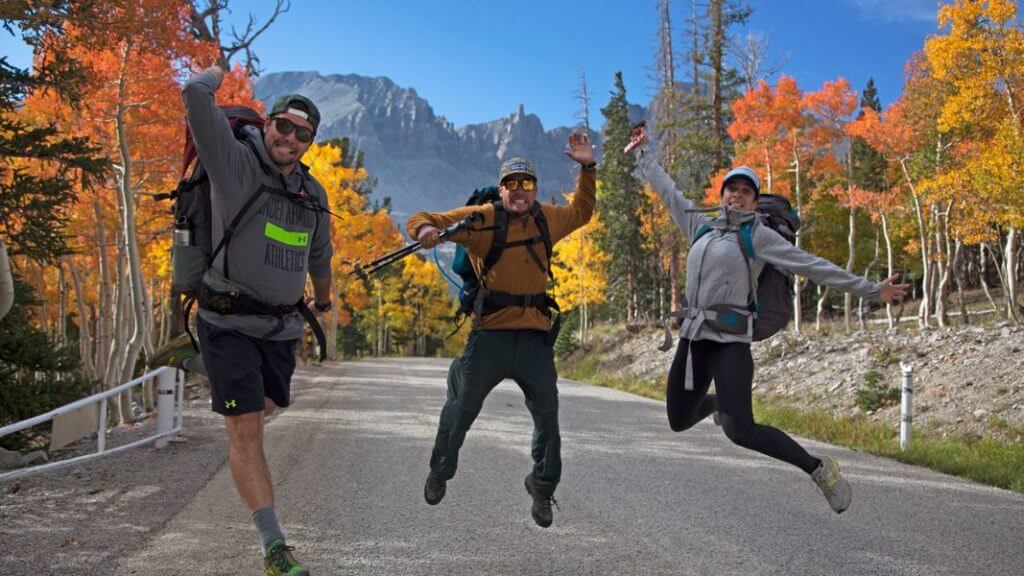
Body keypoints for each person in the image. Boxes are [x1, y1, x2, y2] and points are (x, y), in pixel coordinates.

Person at [625, 123, 908, 514]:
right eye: (731, 188)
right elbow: (668, 192)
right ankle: (718, 405)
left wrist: (871, 290)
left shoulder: (757, 236)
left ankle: (818, 468)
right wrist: (645, 153)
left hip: (730, 344)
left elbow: (813, 265)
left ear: (754, 202)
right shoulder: (699, 226)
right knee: (677, 419)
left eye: (746, 191)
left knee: (742, 431)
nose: (737, 194)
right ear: (721, 195)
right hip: (692, 340)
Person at [179, 65, 333, 575]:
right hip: (226, 320)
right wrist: (217, 69)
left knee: (264, 407)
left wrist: (325, 300)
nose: (290, 137)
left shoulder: (313, 193)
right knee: (245, 428)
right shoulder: (234, 164)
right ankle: (275, 549)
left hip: (281, 329)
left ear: (310, 142)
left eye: (302, 133)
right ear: (267, 124)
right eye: (283, 125)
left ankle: (205, 368)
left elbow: (319, 254)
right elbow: (194, 96)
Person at [407, 133, 596, 527]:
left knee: (548, 416)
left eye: (526, 183)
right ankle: (440, 471)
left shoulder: (548, 217)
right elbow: (423, 218)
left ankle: (542, 488)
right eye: (512, 184)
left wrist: (587, 167)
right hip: (489, 336)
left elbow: (582, 212)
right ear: (501, 188)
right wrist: (424, 230)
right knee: (460, 408)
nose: (520, 191)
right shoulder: (481, 219)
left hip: (533, 340)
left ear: (535, 188)